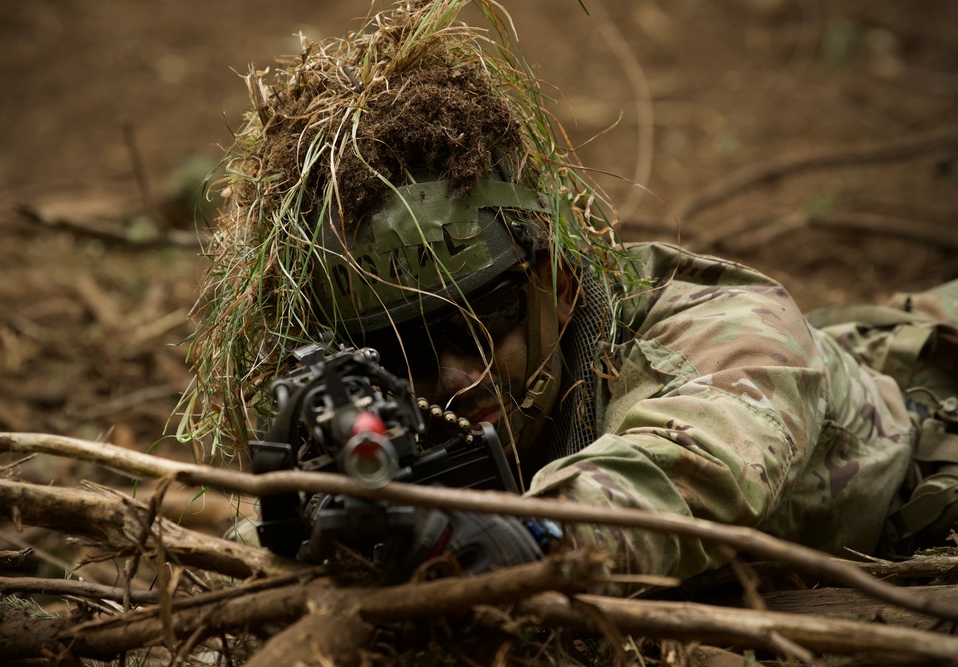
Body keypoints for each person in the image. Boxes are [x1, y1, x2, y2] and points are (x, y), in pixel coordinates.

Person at [183, 0, 958, 581]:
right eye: (404, 351)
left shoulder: (725, 330)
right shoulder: (384, 428)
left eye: (482, 324)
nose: (454, 377)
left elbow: (692, 462)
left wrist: (527, 540)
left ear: (554, 282)